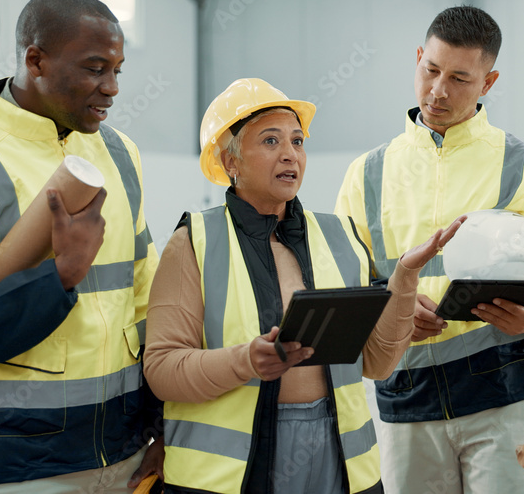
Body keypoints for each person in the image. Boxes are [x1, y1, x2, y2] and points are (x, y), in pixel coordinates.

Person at [335, 6, 524, 493]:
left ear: (489, 81)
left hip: (506, 399)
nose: (439, 90)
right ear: (418, 58)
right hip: (406, 404)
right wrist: (390, 308)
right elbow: (342, 279)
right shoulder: (367, 174)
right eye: (431, 70)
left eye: (460, 78)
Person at [143, 78, 464, 494]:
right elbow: (162, 369)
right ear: (230, 160)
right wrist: (246, 362)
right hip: (233, 474)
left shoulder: (339, 236)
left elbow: (377, 363)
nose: (290, 154)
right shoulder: (193, 242)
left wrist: (403, 278)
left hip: (338, 461)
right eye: (271, 141)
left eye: (297, 141)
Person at [0, 0, 163, 492]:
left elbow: (146, 303)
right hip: (24, 467)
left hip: (128, 454)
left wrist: (162, 424)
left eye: (117, 70)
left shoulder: (120, 153)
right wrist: (59, 277)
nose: (111, 87)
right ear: (35, 60)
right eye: (93, 68)